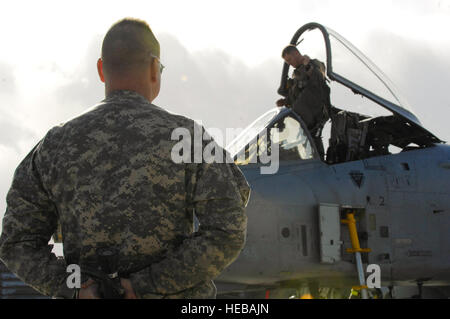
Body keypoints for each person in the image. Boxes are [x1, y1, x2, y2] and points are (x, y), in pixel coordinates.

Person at [0, 18, 250, 299]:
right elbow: (228, 229)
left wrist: (76, 288)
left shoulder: (54, 146)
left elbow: (17, 243)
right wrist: (146, 285)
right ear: (155, 68)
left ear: (100, 70)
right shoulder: (189, 138)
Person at [276, 45, 331, 159]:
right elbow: (296, 95)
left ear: (296, 54)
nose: (290, 63)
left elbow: (319, 80)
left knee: (314, 143)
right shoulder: (296, 74)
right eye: (287, 62)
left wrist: (308, 66)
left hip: (314, 115)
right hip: (301, 117)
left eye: (289, 59)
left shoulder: (315, 64)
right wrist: (285, 101)